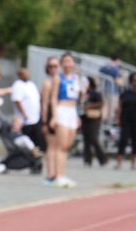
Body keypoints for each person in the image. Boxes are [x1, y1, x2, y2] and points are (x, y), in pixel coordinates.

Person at [48, 53, 81, 188]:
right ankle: (58, 176)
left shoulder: (76, 77)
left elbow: (77, 98)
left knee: (67, 146)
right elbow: (53, 98)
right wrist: (54, 116)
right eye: (65, 61)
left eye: (70, 61)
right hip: (62, 110)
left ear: (73, 64)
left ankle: (62, 173)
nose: (67, 64)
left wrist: (77, 115)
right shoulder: (58, 78)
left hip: (72, 111)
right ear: (62, 64)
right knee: (60, 146)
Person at [113, 71, 136, 170]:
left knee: (135, 141)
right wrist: (118, 119)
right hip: (126, 120)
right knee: (123, 140)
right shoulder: (125, 93)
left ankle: (133, 163)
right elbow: (120, 107)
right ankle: (119, 162)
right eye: (133, 80)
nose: (135, 82)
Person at [10, 67, 45, 153]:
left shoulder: (31, 84)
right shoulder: (18, 85)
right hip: (25, 119)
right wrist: (24, 114)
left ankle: (37, 154)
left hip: (35, 117)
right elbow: (17, 100)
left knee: (38, 139)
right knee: (28, 140)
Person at [40, 57, 60, 185]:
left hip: (60, 114)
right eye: (51, 66)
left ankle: (57, 173)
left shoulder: (59, 80)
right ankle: (50, 174)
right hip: (50, 116)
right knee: (51, 146)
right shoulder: (47, 83)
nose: (53, 69)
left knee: (58, 146)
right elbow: (44, 103)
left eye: (56, 66)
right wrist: (44, 122)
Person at [80, 76, 107, 167]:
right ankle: (87, 160)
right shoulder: (82, 93)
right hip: (84, 117)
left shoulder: (95, 93)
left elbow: (100, 103)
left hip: (94, 118)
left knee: (93, 138)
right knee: (86, 139)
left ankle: (102, 158)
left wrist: (89, 106)